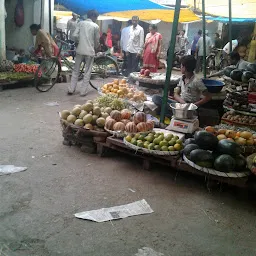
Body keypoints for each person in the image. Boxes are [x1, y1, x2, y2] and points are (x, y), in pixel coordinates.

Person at [68, 10, 100, 96]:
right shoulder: (95, 26)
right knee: (87, 71)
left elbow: (74, 35)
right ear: (93, 16)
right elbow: (97, 41)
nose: (96, 19)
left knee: (76, 70)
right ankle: (83, 91)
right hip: (89, 51)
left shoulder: (80, 23)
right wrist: (96, 47)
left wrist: (78, 42)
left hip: (80, 50)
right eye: (96, 17)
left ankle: (71, 89)